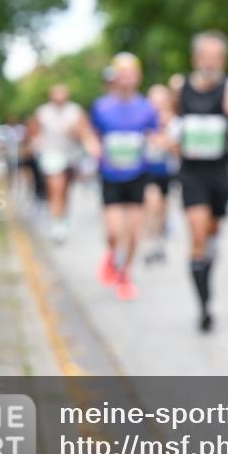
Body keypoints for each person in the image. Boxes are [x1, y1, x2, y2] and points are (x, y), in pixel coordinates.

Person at [176, 31, 228, 332]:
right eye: (205, 56)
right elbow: (168, 120)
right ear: (195, 58)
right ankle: (204, 305)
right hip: (192, 172)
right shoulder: (180, 86)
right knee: (197, 235)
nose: (210, 62)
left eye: (216, 57)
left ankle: (207, 266)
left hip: (222, 173)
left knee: (211, 233)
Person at [91, 52, 155, 301]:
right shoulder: (101, 106)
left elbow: (154, 133)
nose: (127, 79)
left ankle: (125, 274)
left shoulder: (146, 107)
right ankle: (111, 255)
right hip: (111, 174)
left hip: (138, 173)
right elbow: (92, 134)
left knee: (134, 232)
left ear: (138, 77)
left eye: (131, 73)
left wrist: (157, 142)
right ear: (115, 77)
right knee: (115, 232)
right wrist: (93, 146)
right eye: (122, 73)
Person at [28, 84, 96, 243]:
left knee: (65, 190)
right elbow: (34, 131)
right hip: (51, 155)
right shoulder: (43, 112)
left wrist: (81, 137)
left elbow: (84, 131)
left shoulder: (75, 111)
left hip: (71, 155)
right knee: (55, 187)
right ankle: (57, 224)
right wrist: (34, 144)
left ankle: (63, 218)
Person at [142, 84, 180, 264]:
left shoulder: (174, 121)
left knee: (163, 207)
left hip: (167, 170)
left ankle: (158, 241)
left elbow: (176, 146)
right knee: (152, 204)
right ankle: (149, 242)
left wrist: (163, 136)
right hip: (147, 170)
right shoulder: (142, 119)